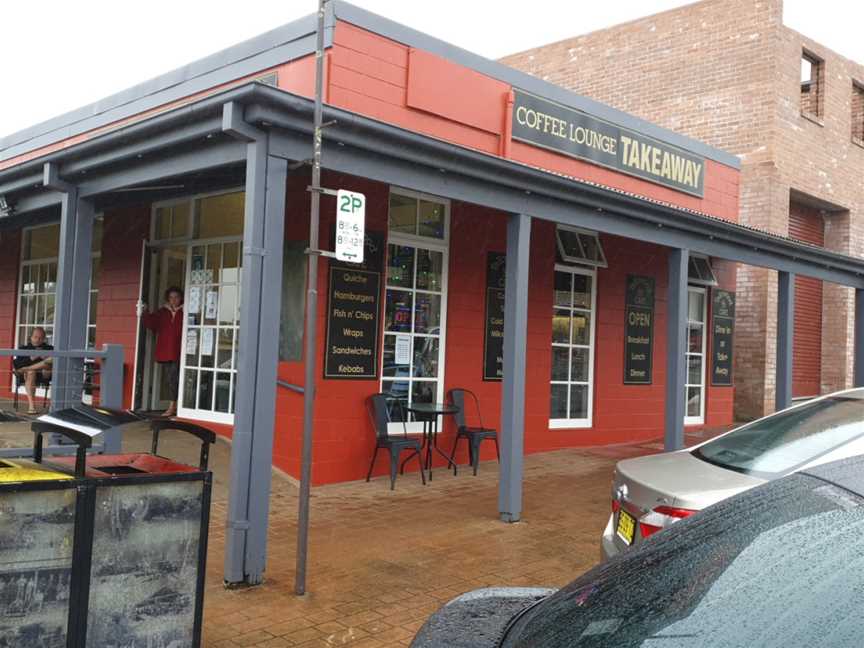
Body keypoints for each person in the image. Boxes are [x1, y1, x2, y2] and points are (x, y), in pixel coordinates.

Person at [139, 287, 184, 417]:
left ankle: (174, 407)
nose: (174, 300)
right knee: (171, 379)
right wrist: (144, 311)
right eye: (171, 297)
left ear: (181, 298)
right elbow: (151, 323)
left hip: (181, 350)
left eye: (176, 297)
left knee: (177, 379)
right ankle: (173, 406)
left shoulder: (185, 311)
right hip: (166, 350)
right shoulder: (163, 312)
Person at [13, 327, 53, 415]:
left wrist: (45, 357)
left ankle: (29, 368)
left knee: (48, 362)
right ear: (30, 337)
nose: (38, 340)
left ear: (44, 338)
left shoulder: (49, 348)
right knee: (31, 372)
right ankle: (32, 407)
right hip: (28, 376)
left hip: (45, 374)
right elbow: (17, 364)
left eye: (41, 338)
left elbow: (55, 363)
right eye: (35, 337)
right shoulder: (24, 349)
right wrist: (31, 358)